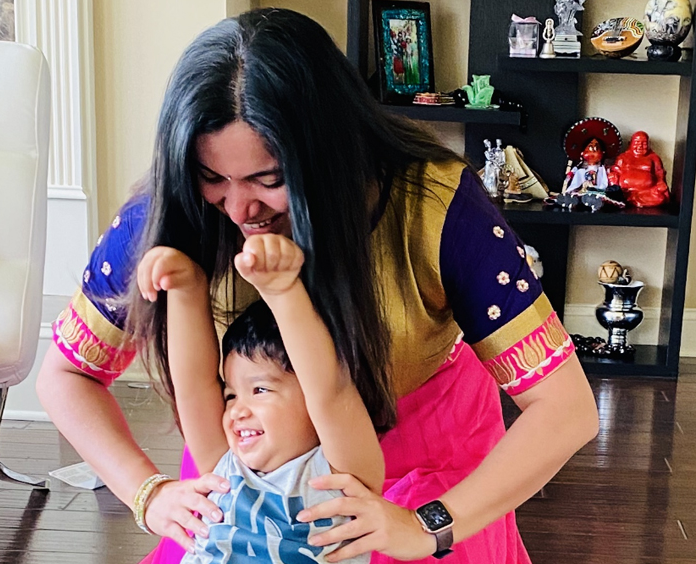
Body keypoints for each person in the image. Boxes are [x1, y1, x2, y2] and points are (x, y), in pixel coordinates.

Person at [37, 8, 599, 564]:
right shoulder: (170, 213)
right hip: (246, 483)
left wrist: (428, 527)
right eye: (213, 178)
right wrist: (148, 493)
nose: (240, 209)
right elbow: (66, 375)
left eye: (270, 179)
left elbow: (566, 409)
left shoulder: (437, 207)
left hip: (426, 475)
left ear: (333, 156)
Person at [136, 235, 382, 563]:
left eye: (260, 390)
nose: (237, 409)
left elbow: (330, 392)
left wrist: (283, 291)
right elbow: (193, 386)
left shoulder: (341, 475)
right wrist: (186, 288)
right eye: (231, 395)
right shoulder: (223, 466)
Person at [610, 130, 670, 208]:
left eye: (644, 144)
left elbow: (659, 172)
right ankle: (628, 198)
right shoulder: (623, 157)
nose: (640, 146)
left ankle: (634, 199)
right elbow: (615, 171)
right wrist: (614, 182)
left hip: (647, 191)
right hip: (625, 191)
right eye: (637, 143)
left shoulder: (653, 158)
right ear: (630, 143)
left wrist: (661, 181)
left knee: (660, 198)